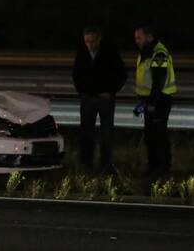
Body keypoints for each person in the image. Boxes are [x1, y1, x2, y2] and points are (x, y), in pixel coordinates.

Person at [71, 25, 127, 173]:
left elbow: (121, 74)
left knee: (106, 134)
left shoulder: (110, 52)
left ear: (99, 39)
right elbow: (76, 74)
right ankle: (86, 163)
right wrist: (82, 92)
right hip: (88, 98)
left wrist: (111, 91)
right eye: (86, 42)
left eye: (92, 41)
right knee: (86, 133)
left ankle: (106, 165)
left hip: (104, 99)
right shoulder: (82, 53)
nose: (89, 45)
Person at [134, 25, 177, 176]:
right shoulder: (146, 52)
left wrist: (152, 102)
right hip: (150, 100)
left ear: (149, 37)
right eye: (136, 38)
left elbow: (159, 80)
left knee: (158, 136)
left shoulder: (158, 52)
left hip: (160, 101)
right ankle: (153, 167)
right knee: (150, 136)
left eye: (139, 38)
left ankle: (162, 168)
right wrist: (142, 101)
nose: (136, 41)